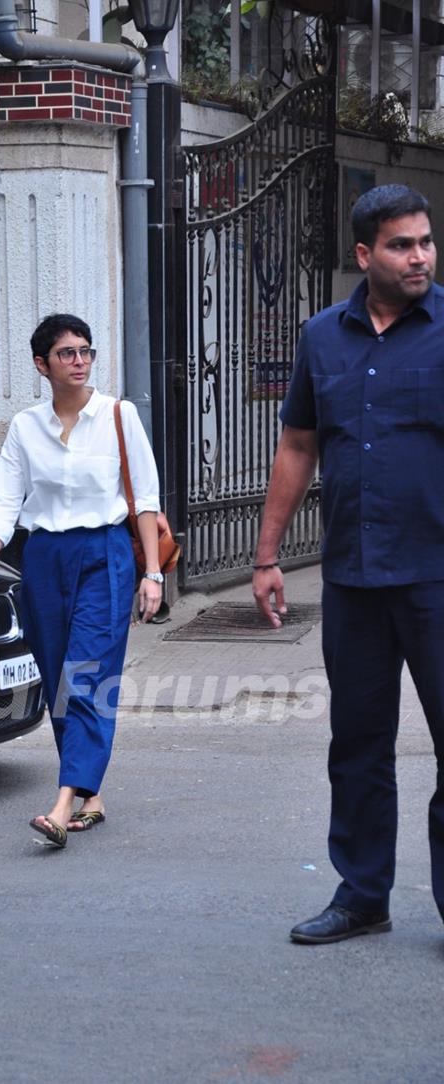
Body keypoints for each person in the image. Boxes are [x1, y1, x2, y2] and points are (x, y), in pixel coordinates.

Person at [253, 184, 444, 944]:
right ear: (364, 255)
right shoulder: (322, 338)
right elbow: (299, 445)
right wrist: (266, 555)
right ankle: (363, 895)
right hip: (355, 576)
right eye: (403, 245)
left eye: (426, 241)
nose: (421, 256)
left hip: (437, 574)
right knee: (358, 745)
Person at [0, 313, 163, 848]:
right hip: (46, 558)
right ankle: (90, 795)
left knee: (88, 674)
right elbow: (5, 501)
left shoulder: (118, 416)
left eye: (86, 352)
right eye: (67, 354)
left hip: (105, 554)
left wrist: (152, 573)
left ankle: (60, 804)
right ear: (42, 364)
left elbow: (145, 500)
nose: (79, 362)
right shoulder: (25, 427)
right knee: (57, 678)